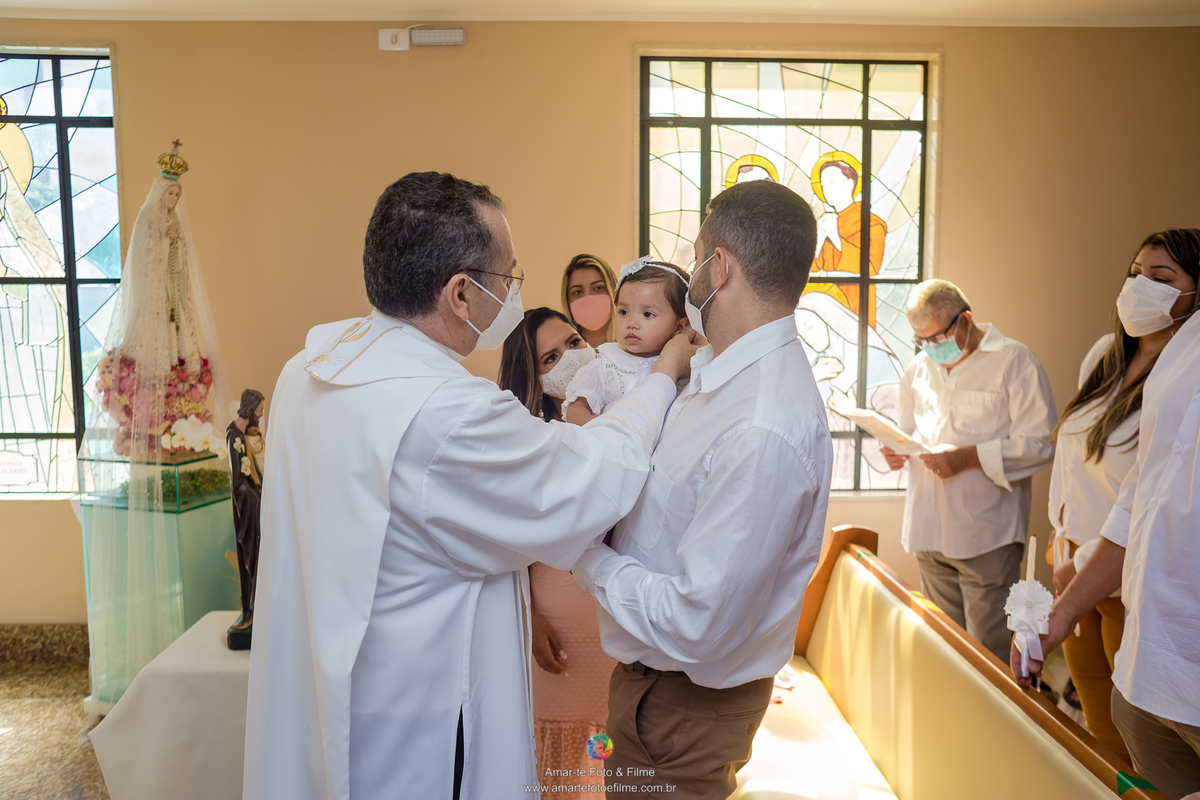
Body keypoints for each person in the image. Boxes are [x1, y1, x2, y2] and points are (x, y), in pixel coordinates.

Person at [243, 172, 698, 800]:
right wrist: (664, 375)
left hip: (335, 685)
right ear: (462, 293)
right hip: (423, 721)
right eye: (509, 278)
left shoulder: (311, 365)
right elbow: (591, 479)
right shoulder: (444, 410)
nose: (515, 292)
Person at [572, 180, 834, 799]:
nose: (689, 275)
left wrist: (584, 556)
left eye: (694, 256)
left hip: (686, 707)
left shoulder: (763, 423)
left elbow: (697, 621)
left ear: (720, 267)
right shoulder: (713, 371)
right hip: (649, 681)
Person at [1015, 229, 1200, 800]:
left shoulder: (1174, 359)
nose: (1139, 286)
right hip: (1099, 582)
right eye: (1135, 272)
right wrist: (1061, 575)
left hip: (1140, 601)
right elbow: (1132, 489)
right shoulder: (1132, 357)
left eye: (1161, 277)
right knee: (1108, 741)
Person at [880, 279, 1056, 663]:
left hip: (985, 533)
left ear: (965, 320)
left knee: (987, 653)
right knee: (944, 647)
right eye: (920, 340)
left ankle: (996, 723)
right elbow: (909, 431)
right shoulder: (920, 367)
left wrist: (969, 457)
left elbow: (1042, 444)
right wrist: (897, 450)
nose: (930, 347)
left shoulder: (1014, 361)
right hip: (929, 529)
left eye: (936, 337)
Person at [498, 308, 613, 800]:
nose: (570, 357)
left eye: (572, 342)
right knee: (564, 780)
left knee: (617, 767)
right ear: (535, 380)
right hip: (557, 636)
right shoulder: (526, 448)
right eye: (550, 356)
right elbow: (501, 551)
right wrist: (526, 620)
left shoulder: (629, 420)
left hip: (622, 629)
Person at [564, 258, 690, 424]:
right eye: (623, 312)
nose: (631, 323)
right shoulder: (606, 365)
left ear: (680, 325)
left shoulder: (686, 366)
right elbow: (576, 409)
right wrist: (603, 437)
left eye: (647, 314)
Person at [226, 388, 266, 647]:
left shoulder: (249, 434)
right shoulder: (234, 436)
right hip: (247, 506)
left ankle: (259, 611)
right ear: (250, 410)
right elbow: (238, 479)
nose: (260, 418)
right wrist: (253, 495)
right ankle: (249, 612)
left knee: (260, 556)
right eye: (259, 412)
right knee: (249, 559)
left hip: (256, 499)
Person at [562, 254, 618, 349]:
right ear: (568, 301)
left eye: (598, 287)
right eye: (577, 292)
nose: (588, 298)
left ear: (613, 291)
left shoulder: (637, 347)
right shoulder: (562, 352)